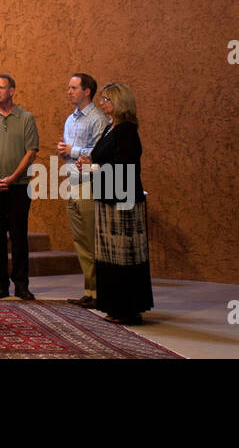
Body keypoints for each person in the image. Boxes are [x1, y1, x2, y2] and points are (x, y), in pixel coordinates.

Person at [78, 82, 152, 325]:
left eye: (107, 100)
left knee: (125, 257)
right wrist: (87, 162)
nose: (102, 104)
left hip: (123, 200)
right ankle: (114, 305)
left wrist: (94, 167)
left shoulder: (127, 130)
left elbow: (125, 165)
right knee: (110, 256)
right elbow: (103, 157)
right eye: (102, 99)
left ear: (120, 103)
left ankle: (128, 308)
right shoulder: (111, 128)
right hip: (107, 198)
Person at [0, 74, 39, 301]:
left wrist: (12, 177)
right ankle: (0, 284)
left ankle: (21, 285)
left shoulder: (26, 118)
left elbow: (31, 151)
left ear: (12, 90)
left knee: (19, 236)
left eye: (2, 88)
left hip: (19, 187)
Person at [59, 73, 109, 308]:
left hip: (90, 183)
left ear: (87, 91)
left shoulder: (98, 118)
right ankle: (90, 290)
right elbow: (72, 151)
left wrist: (72, 149)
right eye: (68, 87)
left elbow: (100, 151)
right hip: (72, 182)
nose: (69, 91)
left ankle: (101, 291)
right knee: (80, 240)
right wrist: (65, 151)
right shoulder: (71, 119)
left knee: (92, 239)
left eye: (73, 87)